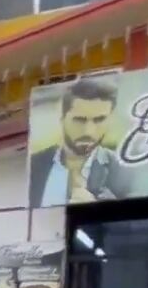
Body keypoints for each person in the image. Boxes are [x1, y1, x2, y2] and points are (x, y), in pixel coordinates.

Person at [30, 78, 131, 208]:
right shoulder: (35, 164)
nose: (88, 132)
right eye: (80, 120)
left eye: (99, 120)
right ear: (62, 118)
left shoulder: (123, 171)